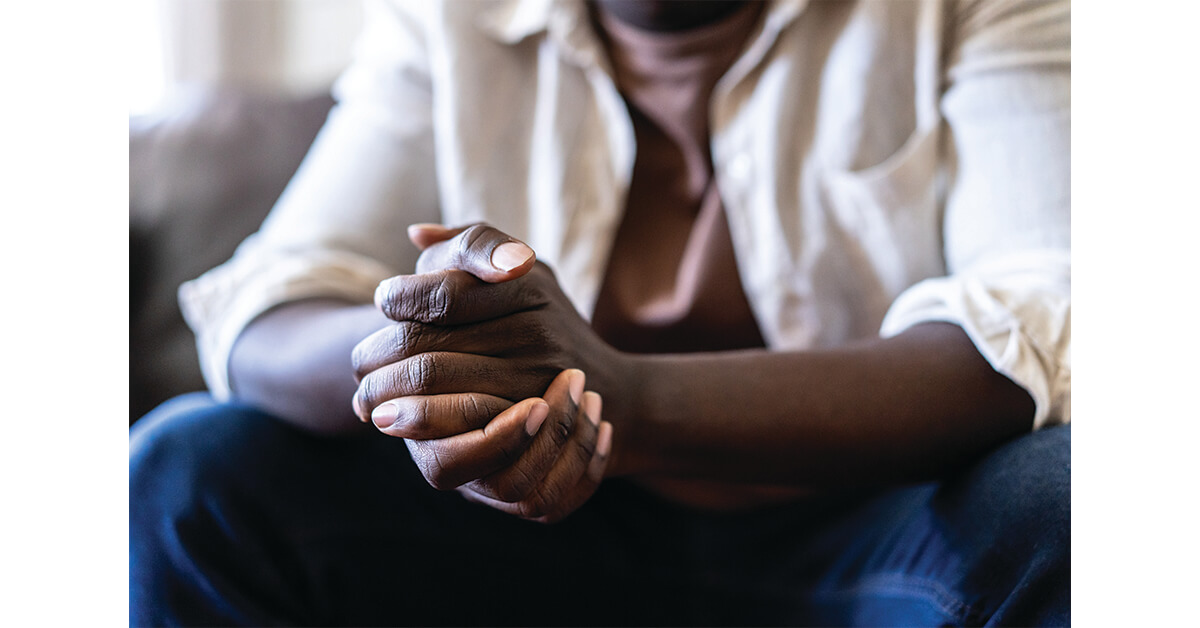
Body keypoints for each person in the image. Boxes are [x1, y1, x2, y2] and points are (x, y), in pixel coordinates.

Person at [130, 0, 1071, 625]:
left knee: (1074, 497)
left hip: (873, 523)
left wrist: (617, 397)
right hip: (539, 537)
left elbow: (1042, 312)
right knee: (189, 470)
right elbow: (273, 303)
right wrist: (447, 364)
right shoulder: (451, 17)